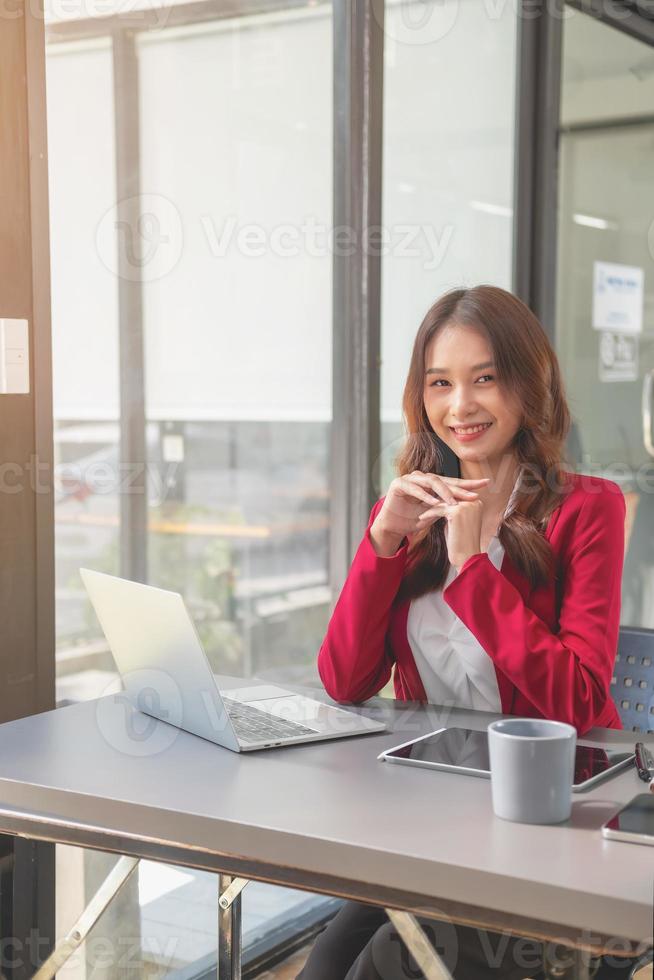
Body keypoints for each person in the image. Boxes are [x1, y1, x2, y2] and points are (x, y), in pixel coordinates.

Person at [297, 285, 629, 980]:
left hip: (538, 823)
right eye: (439, 384)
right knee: (325, 971)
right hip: (429, 816)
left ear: (528, 383)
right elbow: (346, 681)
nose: (460, 407)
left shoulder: (588, 508)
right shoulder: (414, 505)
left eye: (485, 379)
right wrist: (382, 542)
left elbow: (577, 701)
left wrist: (474, 567)